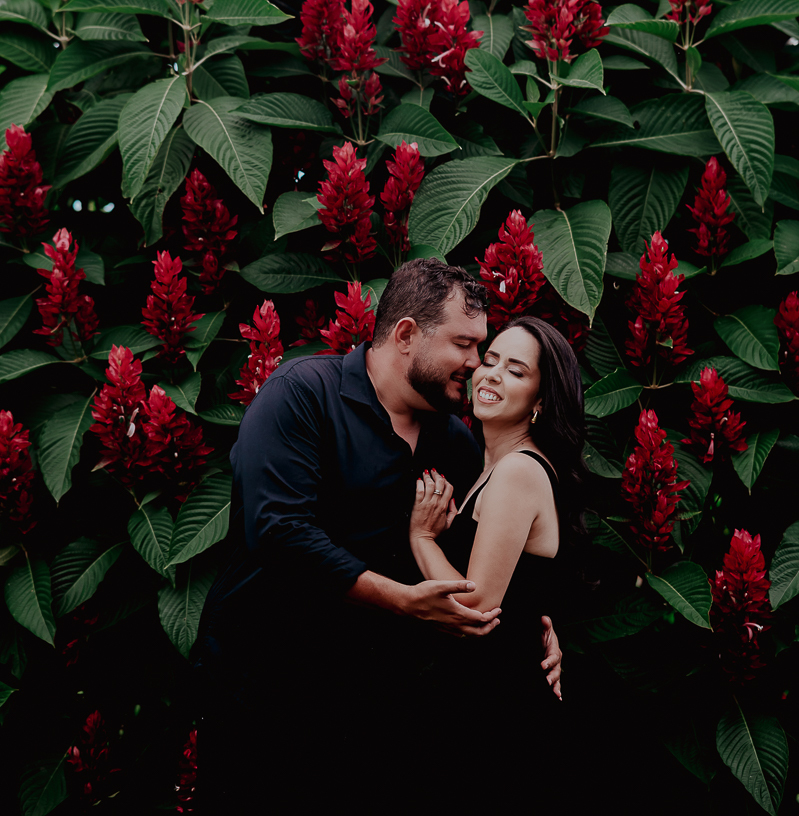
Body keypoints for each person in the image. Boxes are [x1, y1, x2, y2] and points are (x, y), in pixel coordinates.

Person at [192, 261, 563, 809]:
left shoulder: (456, 444)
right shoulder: (300, 395)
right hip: (266, 684)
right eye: (465, 344)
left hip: (377, 704)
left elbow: (490, 553)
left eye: (481, 348)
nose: (475, 364)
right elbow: (279, 530)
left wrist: (537, 624)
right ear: (407, 334)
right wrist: (403, 602)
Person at [406, 314, 586, 798]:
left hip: (499, 717)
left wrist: (422, 539)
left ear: (541, 400)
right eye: (490, 361)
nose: (491, 375)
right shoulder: (494, 467)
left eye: (516, 370)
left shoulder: (518, 473)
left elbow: (478, 603)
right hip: (483, 705)